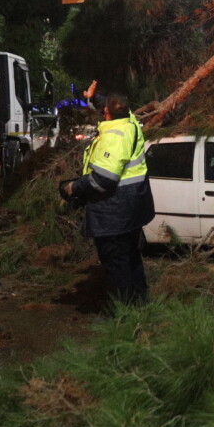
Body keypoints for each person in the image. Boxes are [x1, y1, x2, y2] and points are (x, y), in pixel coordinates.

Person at [62, 91, 154, 305]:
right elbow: (116, 105)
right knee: (131, 259)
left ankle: (123, 314)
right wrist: (94, 97)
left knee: (117, 265)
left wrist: (74, 187)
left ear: (107, 113)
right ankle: (140, 305)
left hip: (114, 212)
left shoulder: (113, 136)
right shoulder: (130, 123)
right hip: (133, 209)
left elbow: (103, 179)